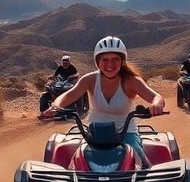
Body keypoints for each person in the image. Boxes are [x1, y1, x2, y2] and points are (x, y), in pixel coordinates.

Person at [42, 36, 166, 166]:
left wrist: (156, 104)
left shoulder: (131, 81)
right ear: (97, 62)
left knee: (141, 163)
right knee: (77, 165)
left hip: (125, 134)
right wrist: (56, 106)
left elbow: (156, 97)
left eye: (115, 59)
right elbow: (69, 95)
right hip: (94, 135)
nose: (110, 64)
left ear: (122, 61)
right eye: (104, 59)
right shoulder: (89, 80)